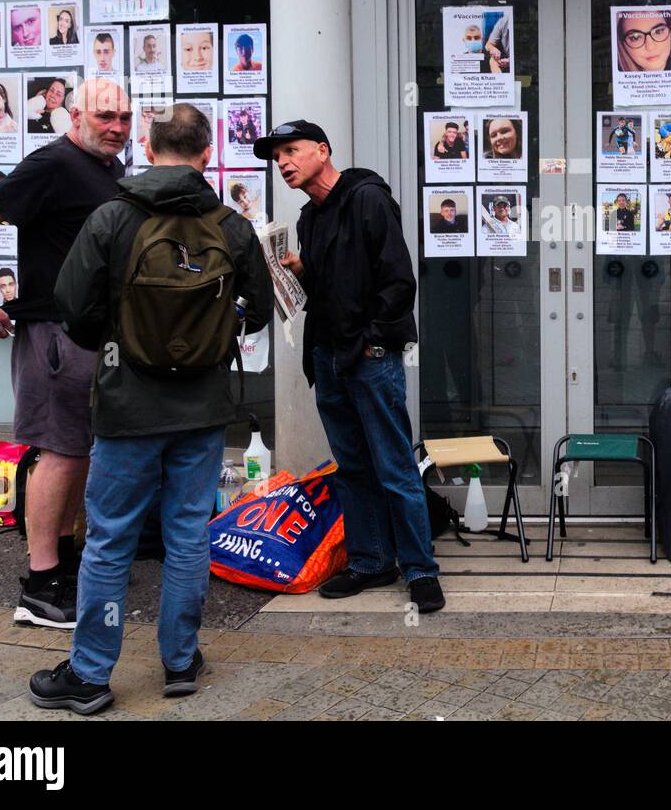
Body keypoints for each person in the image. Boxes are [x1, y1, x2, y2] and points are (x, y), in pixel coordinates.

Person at [27, 103, 273, 714]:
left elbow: (70, 303)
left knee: (110, 539)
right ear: (209, 153)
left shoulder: (112, 217)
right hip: (204, 406)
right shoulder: (231, 226)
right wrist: (216, 331)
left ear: (146, 144)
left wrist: (116, 342)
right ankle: (181, 661)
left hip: (126, 404)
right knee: (189, 534)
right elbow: (261, 308)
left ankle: (89, 676)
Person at [0, 77, 131, 631]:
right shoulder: (52, 162)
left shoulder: (105, 168)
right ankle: (39, 586)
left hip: (85, 332)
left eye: (124, 118)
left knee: (77, 448)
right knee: (59, 450)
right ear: (75, 114)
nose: (117, 127)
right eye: (105, 116)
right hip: (54, 331)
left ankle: (63, 558)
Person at [254, 120, 443, 613]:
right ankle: (370, 561)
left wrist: (374, 344)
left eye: (291, 152)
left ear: (323, 149)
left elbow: (398, 281)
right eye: (277, 159)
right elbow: (332, 288)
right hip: (328, 356)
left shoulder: (367, 197)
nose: (284, 164)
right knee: (353, 468)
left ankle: (420, 569)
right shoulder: (308, 219)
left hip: (368, 358)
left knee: (394, 465)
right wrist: (300, 272)